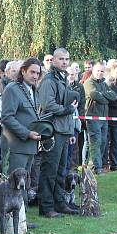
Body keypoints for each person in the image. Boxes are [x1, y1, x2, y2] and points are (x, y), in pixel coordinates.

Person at [38, 48, 78, 217]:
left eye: (67, 59)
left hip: (63, 130)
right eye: (61, 59)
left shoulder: (62, 78)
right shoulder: (49, 80)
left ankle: (60, 203)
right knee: (50, 170)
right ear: (53, 60)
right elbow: (48, 105)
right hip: (53, 130)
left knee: (62, 170)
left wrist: (69, 132)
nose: (64, 62)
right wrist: (67, 109)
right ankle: (46, 207)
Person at [0, 57, 42, 200]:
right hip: (16, 145)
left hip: (29, 145)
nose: (35, 76)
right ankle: (11, 219)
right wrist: (27, 133)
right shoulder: (12, 89)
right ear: (23, 71)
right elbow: (6, 117)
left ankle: (21, 220)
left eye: (38, 73)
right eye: (32, 72)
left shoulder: (33, 90)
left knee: (24, 184)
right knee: (13, 184)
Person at [84, 61, 117, 173]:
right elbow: (93, 94)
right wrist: (105, 98)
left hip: (104, 118)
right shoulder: (89, 83)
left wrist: (102, 95)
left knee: (103, 142)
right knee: (95, 142)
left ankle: (94, 166)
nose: (100, 73)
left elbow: (113, 96)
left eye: (102, 71)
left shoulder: (103, 84)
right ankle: (96, 167)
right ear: (93, 70)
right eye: (97, 70)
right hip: (93, 117)